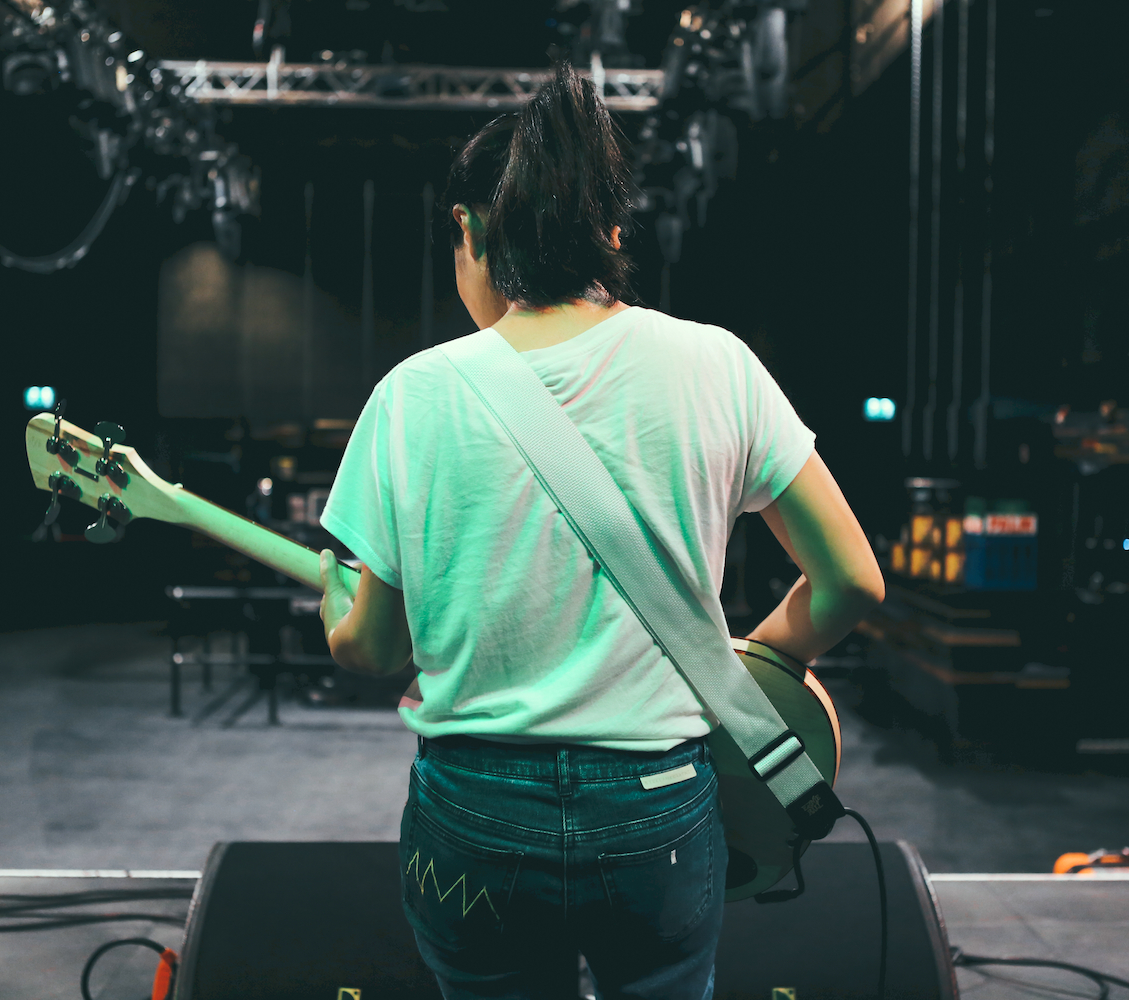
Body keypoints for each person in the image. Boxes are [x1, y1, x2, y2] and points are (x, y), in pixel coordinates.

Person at [316, 60, 884, 1000]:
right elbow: (852, 581)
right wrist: (753, 661)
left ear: (468, 229)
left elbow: (373, 650)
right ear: (612, 233)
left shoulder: (412, 395)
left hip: (476, 817)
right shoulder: (718, 365)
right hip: (657, 812)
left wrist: (342, 614)